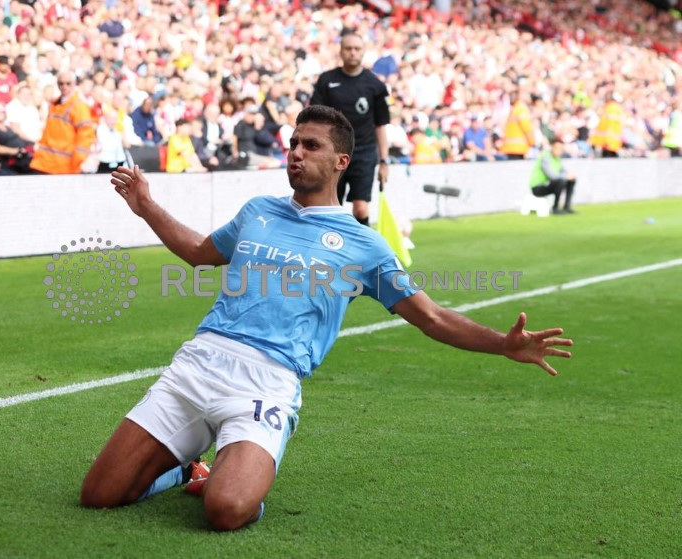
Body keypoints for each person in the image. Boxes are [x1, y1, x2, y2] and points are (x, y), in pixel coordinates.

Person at [80, 105, 573, 531]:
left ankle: (227, 475)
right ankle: (186, 469)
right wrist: (146, 206)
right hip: (199, 363)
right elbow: (199, 252)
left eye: (309, 145)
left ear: (340, 161)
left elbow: (431, 318)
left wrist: (502, 344)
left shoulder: (364, 246)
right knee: (100, 495)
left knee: (226, 511)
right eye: (292, 143)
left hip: (267, 385)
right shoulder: (258, 211)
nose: (295, 152)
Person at [310, 32, 392, 226]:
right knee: (331, 206)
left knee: (361, 207)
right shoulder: (326, 80)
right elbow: (314, 118)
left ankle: (361, 249)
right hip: (333, 153)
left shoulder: (375, 85)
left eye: (357, 49)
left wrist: (384, 160)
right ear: (341, 51)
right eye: (348, 48)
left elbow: (380, 125)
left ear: (363, 52)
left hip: (364, 152)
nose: (352, 53)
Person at [29, 72, 96, 174]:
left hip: (64, 165)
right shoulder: (55, 103)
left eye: (68, 83)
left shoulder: (79, 106)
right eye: (61, 83)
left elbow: (86, 135)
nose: (64, 86)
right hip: (44, 162)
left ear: (74, 84)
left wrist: (77, 162)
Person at [0, 102, 34, 174]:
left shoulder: (8, 128)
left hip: (22, 158)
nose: (0, 113)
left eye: (2, 111)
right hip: (9, 162)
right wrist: (16, 151)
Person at [529, 139, 576, 214]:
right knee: (561, 181)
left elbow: (563, 171)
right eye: (558, 148)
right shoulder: (545, 157)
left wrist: (569, 175)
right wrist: (566, 176)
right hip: (538, 187)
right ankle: (555, 208)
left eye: (561, 149)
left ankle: (567, 207)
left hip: (548, 185)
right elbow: (552, 176)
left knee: (571, 180)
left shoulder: (557, 158)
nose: (560, 151)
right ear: (552, 147)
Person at [501, 89, 535, 160]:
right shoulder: (519, 109)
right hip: (516, 148)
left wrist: (531, 142)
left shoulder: (518, 109)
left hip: (514, 148)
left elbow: (526, 127)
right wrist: (532, 142)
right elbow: (526, 128)